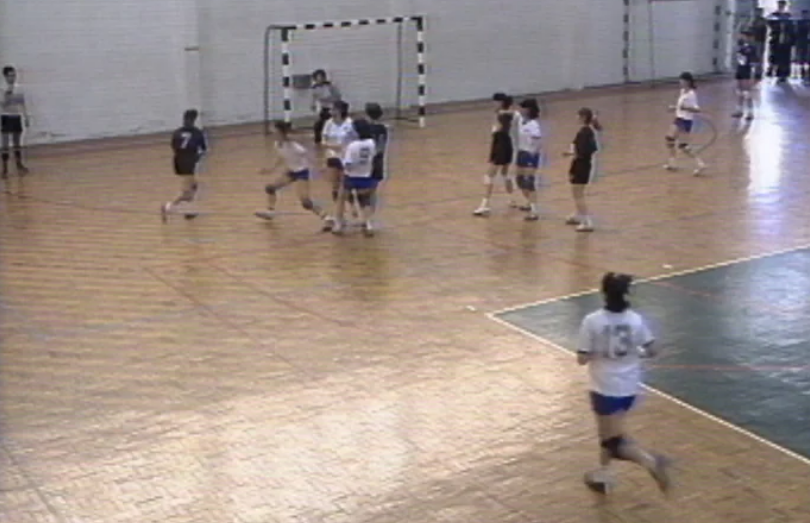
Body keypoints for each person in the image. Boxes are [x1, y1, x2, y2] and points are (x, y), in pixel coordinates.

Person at [577, 272, 672, 495]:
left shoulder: (592, 321)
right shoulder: (635, 319)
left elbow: (582, 358)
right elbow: (653, 350)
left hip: (604, 387)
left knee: (613, 441)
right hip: (629, 387)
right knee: (608, 435)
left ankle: (650, 462)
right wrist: (635, 351)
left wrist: (599, 351)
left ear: (604, 293)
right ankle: (604, 475)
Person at [254, 121, 329, 226]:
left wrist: (319, 167)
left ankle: (326, 217)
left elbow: (307, 155)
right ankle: (270, 211)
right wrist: (271, 169)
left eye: (275, 130)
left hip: (302, 172)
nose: (272, 132)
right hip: (291, 171)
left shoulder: (294, 146)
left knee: (305, 202)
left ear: (280, 132)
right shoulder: (277, 144)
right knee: (270, 188)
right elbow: (281, 157)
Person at [473, 93, 519, 216]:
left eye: (495, 102)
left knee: (489, 175)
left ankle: (485, 204)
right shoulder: (511, 113)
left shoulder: (504, 115)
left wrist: (496, 129)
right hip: (505, 144)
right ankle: (512, 198)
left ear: (500, 102)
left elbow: (501, 129)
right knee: (505, 173)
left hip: (501, 145)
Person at [332, 119, 376, 236]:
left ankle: (339, 224)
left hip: (351, 176)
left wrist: (340, 157)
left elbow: (347, 163)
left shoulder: (352, 146)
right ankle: (368, 224)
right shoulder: (372, 143)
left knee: (341, 198)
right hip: (366, 175)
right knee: (365, 201)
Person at [162, 109, 207, 222]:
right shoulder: (197, 132)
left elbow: (173, 146)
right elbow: (203, 149)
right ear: (194, 120)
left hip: (178, 160)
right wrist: (197, 157)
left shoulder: (177, 132)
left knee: (193, 187)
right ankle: (169, 207)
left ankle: (189, 211)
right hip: (189, 161)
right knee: (187, 190)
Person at [562, 108, 601, 232]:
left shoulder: (585, 133)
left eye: (578, 116)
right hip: (584, 165)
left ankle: (587, 221)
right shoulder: (588, 131)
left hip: (581, 166)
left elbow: (583, 151)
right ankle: (578, 214)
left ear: (583, 117)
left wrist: (571, 154)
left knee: (578, 195)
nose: (576, 118)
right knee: (578, 193)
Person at [321, 100, 356, 230]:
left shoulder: (349, 124)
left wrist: (338, 146)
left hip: (345, 157)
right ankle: (340, 214)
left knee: (346, 184)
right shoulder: (328, 123)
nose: (331, 111)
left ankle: (352, 206)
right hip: (332, 157)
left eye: (334, 109)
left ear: (340, 110)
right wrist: (331, 147)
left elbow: (350, 142)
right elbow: (323, 140)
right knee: (335, 187)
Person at [664, 72, 706, 176]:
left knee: (683, 146)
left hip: (685, 120)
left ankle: (700, 163)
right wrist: (674, 108)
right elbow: (680, 105)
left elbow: (697, 109)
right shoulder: (682, 91)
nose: (680, 82)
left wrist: (685, 108)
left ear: (687, 81)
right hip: (679, 118)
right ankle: (672, 162)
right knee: (669, 138)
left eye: (682, 80)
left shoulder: (691, 94)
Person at [514, 98, 543, 221]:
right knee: (519, 180)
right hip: (521, 152)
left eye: (523, 108)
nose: (520, 110)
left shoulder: (534, 125)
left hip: (530, 154)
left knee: (529, 182)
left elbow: (537, 141)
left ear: (528, 109)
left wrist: (533, 154)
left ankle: (534, 210)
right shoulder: (521, 120)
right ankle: (529, 202)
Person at [1, 66, 30, 178]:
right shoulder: (2, 88)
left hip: (16, 117)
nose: (12, 78)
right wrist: (7, 94)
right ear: (5, 76)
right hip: (5, 117)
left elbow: (21, 103)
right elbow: (3, 104)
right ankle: (4, 168)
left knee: (16, 142)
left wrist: (26, 116)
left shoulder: (19, 89)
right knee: (5, 143)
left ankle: (19, 164)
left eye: (14, 75)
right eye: (10, 76)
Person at [364, 103, 389, 211]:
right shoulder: (382, 128)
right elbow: (382, 147)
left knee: (367, 189)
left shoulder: (367, 128)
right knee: (372, 190)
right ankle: (369, 214)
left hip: (369, 161)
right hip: (377, 161)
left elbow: (380, 147)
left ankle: (366, 211)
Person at [311, 70, 342, 145]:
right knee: (318, 125)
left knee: (332, 125)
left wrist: (335, 106)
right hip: (324, 108)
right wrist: (313, 106)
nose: (319, 80)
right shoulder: (315, 88)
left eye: (320, 78)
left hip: (332, 107)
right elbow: (314, 98)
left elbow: (338, 96)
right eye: (317, 78)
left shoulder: (330, 86)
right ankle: (318, 142)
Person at [733, 30, 759, 120]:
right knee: (739, 91)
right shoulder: (741, 46)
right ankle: (739, 110)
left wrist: (753, 73)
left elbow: (753, 60)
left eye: (744, 36)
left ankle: (750, 112)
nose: (742, 38)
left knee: (747, 92)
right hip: (740, 69)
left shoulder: (751, 48)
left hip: (746, 70)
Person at [767, 1, 794, 83]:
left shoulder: (788, 16)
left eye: (782, 5)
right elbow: (769, 23)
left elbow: (792, 28)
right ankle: (772, 71)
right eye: (780, 5)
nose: (781, 6)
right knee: (774, 56)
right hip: (776, 40)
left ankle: (783, 74)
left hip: (786, 41)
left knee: (785, 58)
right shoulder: (774, 15)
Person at [749, 8, 768, 79]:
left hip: (760, 41)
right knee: (753, 57)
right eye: (756, 12)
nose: (757, 13)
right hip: (753, 40)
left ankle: (758, 72)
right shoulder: (753, 20)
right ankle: (753, 71)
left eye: (759, 12)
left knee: (759, 57)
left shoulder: (763, 21)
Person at [795, 10, 810, 81]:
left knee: (808, 57)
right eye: (804, 14)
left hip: (808, 42)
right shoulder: (799, 22)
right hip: (801, 42)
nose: (805, 16)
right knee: (801, 58)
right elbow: (797, 32)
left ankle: (808, 72)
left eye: (806, 14)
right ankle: (802, 71)